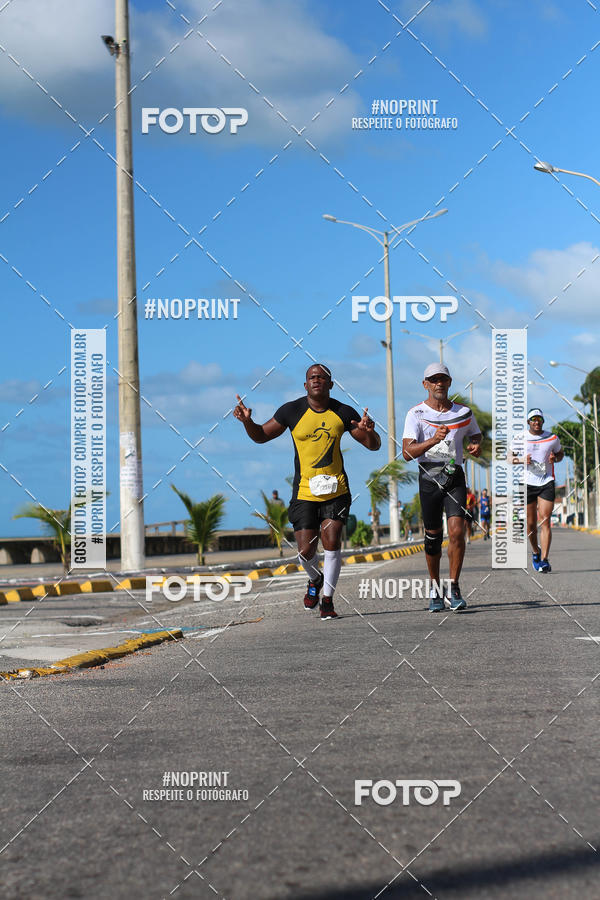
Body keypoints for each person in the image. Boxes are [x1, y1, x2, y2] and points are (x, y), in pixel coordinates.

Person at [234, 364, 381, 619]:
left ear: (331, 384)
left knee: (332, 541)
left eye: (322, 377)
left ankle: (327, 600)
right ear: (305, 385)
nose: (317, 380)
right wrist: (248, 422)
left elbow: (374, 446)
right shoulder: (291, 411)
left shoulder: (344, 412)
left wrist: (370, 432)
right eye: (312, 377)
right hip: (304, 491)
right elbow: (260, 436)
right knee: (305, 551)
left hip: (337, 490)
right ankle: (315, 579)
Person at [402, 362, 482, 612]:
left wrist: (475, 444)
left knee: (457, 531)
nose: (439, 383)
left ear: (449, 383)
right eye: (433, 380)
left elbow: (475, 434)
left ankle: (454, 586)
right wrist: (433, 440)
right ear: (425, 384)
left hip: (454, 476)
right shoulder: (416, 414)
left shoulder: (463, 412)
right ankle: (435, 590)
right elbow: (406, 452)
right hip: (429, 477)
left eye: (443, 379)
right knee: (433, 538)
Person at [512, 408, 563, 573]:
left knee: (545, 521)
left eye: (539, 419)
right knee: (531, 524)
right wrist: (521, 459)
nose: (536, 422)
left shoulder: (552, 438)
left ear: (542, 421)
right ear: (528, 422)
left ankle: (545, 560)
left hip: (546, 481)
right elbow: (508, 458)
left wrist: (556, 458)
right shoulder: (520, 438)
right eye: (533, 419)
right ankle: (535, 552)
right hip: (527, 483)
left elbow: (560, 453)